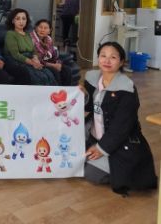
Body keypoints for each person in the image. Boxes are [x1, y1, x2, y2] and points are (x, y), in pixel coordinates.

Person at [83, 42, 157, 195]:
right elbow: (90, 106)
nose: (107, 60)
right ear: (98, 58)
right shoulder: (92, 78)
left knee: (91, 173)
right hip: (94, 135)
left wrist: (101, 149)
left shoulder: (126, 88)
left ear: (122, 62)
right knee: (70, 158)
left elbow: (121, 127)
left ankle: (126, 173)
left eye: (113, 57)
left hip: (120, 141)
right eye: (103, 56)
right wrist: (82, 96)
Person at [4, 8, 56, 85]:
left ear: (26, 21)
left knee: (48, 74)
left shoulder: (27, 34)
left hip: (30, 60)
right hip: (16, 61)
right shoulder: (10, 34)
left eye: (24, 19)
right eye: (18, 19)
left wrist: (36, 59)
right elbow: (16, 55)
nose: (21, 21)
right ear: (13, 21)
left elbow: (34, 50)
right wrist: (32, 63)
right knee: (36, 76)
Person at [30, 19, 72, 86]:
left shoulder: (48, 39)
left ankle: (66, 91)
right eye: (40, 27)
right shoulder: (31, 39)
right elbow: (37, 59)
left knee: (67, 70)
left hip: (49, 62)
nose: (42, 30)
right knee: (55, 72)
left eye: (45, 28)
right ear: (36, 28)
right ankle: (56, 91)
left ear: (49, 31)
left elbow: (53, 55)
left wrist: (58, 63)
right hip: (39, 64)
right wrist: (53, 65)